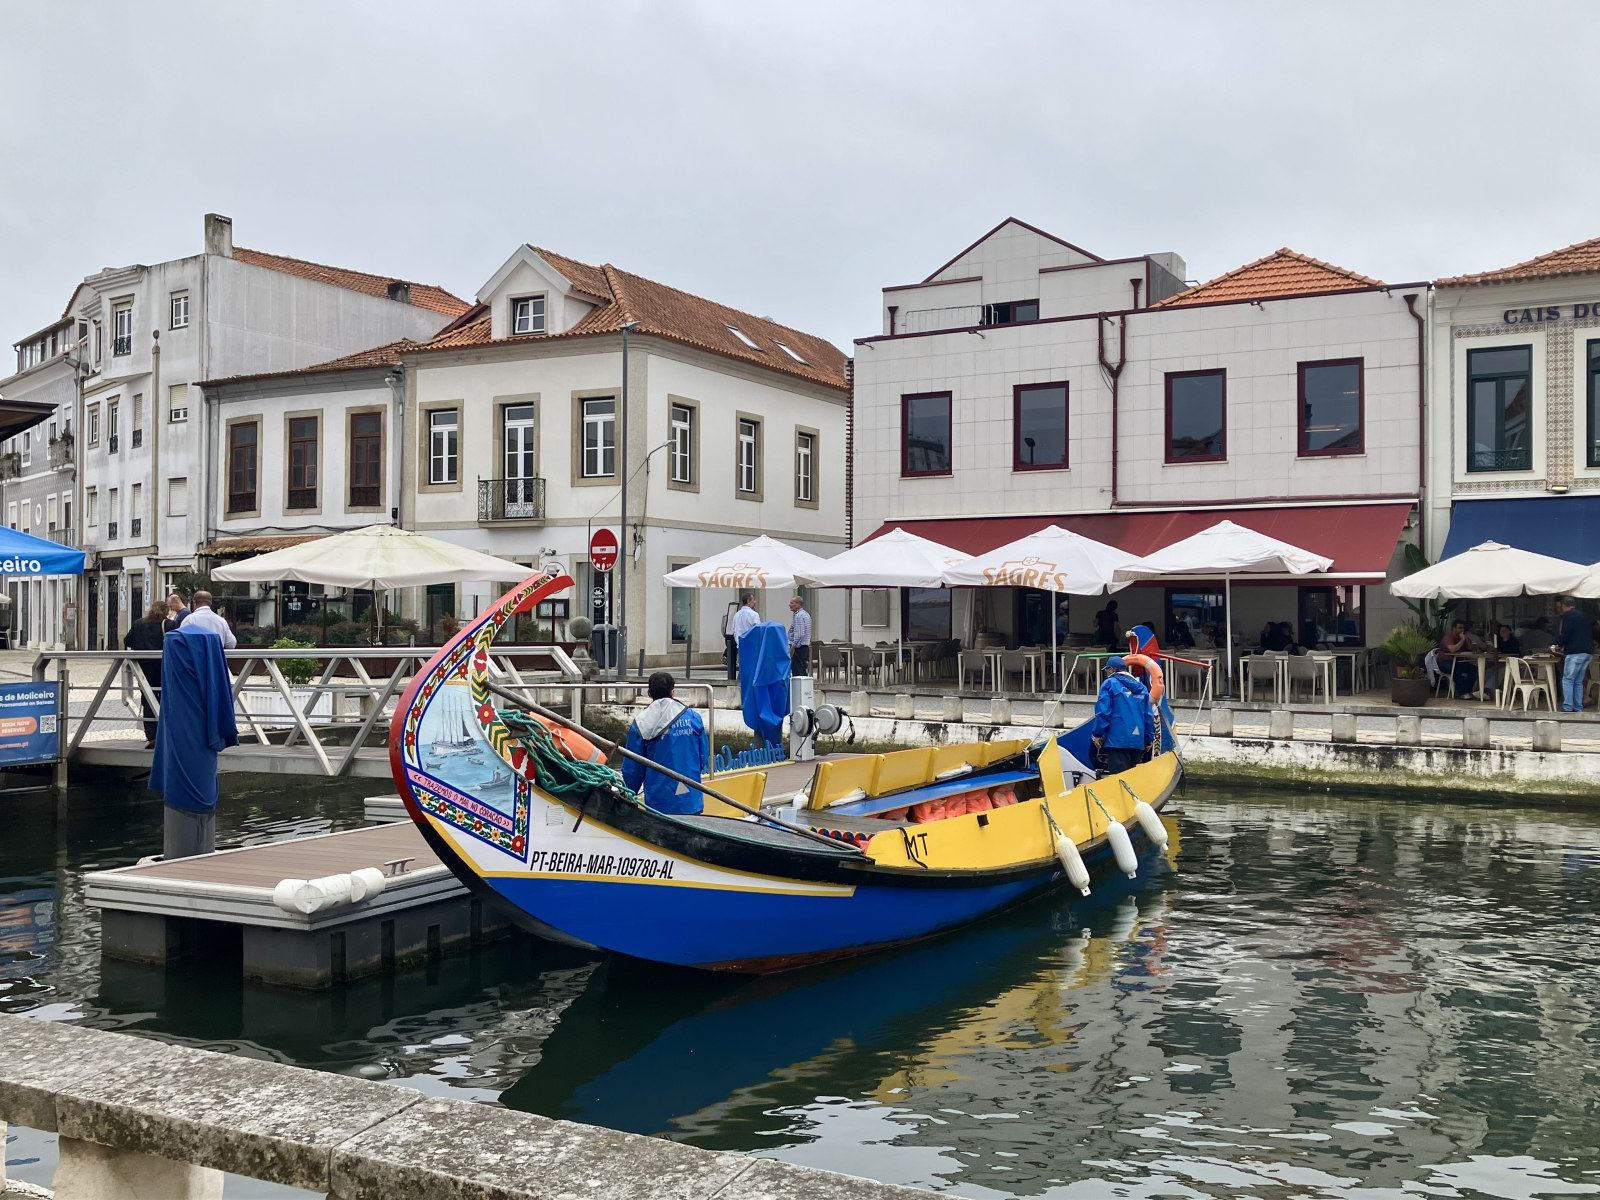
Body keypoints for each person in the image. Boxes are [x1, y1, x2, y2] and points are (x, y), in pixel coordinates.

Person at [150, 620, 240, 859]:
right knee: (193, 769)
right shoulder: (204, 642)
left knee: (185, 765)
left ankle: (185, 855)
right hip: (193, 731)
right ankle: (193, 853)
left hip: (183, 729)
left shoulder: (175, 642)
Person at [622, 672, 709, 814]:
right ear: (672, 691)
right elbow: (703, 757)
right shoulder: (693, 718)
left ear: (649, 693)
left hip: (659, 803)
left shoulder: (640, 724)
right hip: (690, 800)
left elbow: (632, 770)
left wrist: (627, 796)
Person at [1090, 656, 1152, 777]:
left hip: (1117, 741)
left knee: (1119, 779)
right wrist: (1149, 738)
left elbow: (1103, 712)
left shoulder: (1109, 684)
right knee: (1132, 777)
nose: (1107, 672)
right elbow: (1148, 716)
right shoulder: (1142, 687)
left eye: (1107, 669)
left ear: (1112, 669)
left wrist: (1097, 734)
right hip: (1137, 742)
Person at [124, 602, 168, 747]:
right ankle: (166, 733)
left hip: (143, 667)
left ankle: (151, 735)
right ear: (165, 611)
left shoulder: (138, 624)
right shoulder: (169, 624)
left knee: (148, 699)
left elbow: (127, 641)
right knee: (166, 698)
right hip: (164, 667)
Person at [1556, 597, 1595, 712]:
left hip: (1575, 652)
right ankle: (1578, 707)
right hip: (1587, 652)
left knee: (1568, 679)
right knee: (1578, 681)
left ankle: (1568, 706)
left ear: (1563, 605)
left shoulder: (1568, 616)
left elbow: (1566, 633)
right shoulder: (1584, 616)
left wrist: (1559, 644)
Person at [1439, 619, 1474, 695]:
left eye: (1463, 628)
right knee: (1456, 670)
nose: (1462, 630)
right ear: (1454, 628)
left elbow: (1472, 648)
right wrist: (1462, 641)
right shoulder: (1448, 637)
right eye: (1459, 628)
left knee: (1473, 669)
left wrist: (1467, 640)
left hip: (1457, 661)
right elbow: (1452, 650)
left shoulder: (1463, 637)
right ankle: (1462, 693)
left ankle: (1467, 690)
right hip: (1444, 662)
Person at [788, 595, 812, 676]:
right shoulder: (805, 614)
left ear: (798, 604)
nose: (789, 605)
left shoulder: (799, 616)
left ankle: (800, 684)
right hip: (803, 646)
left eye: (792, 603)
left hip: (799, 648)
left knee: (798, 671)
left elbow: (800, 633)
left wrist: (793, 646)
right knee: (802, 669)